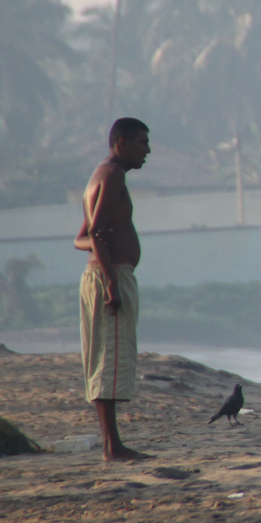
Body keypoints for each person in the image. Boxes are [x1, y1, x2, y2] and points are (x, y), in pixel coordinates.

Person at [74, 117, 153, 462]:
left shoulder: (101, 174)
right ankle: (113, 447)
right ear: (121, 142)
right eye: (142, 142)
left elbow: (83, 236)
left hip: (106, 275)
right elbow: (92, 235)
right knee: (108, 360)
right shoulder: (113, 174)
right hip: (109, 278)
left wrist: (96, 241)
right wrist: (110, 282)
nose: (147, 150)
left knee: (104, 359)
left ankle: (112, 445)